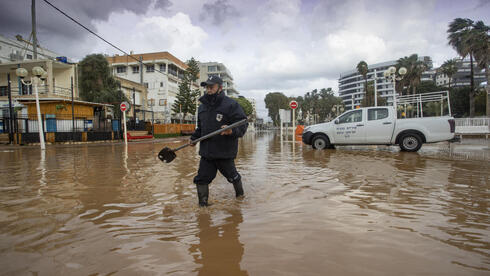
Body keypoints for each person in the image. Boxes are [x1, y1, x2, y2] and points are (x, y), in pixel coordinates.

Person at [190, 75, 248, 207]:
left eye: (211, 87)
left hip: (224, 153)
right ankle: (203, 208)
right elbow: (201, 128)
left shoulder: (231, 105)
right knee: (201, 180)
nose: (208, 90)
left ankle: (240, 199)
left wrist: (231, 131)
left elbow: (243, 125)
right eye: (207, 87)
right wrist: (193, 139)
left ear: (220, 88)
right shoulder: (202, 107)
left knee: (233, 177)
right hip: (207, 153)